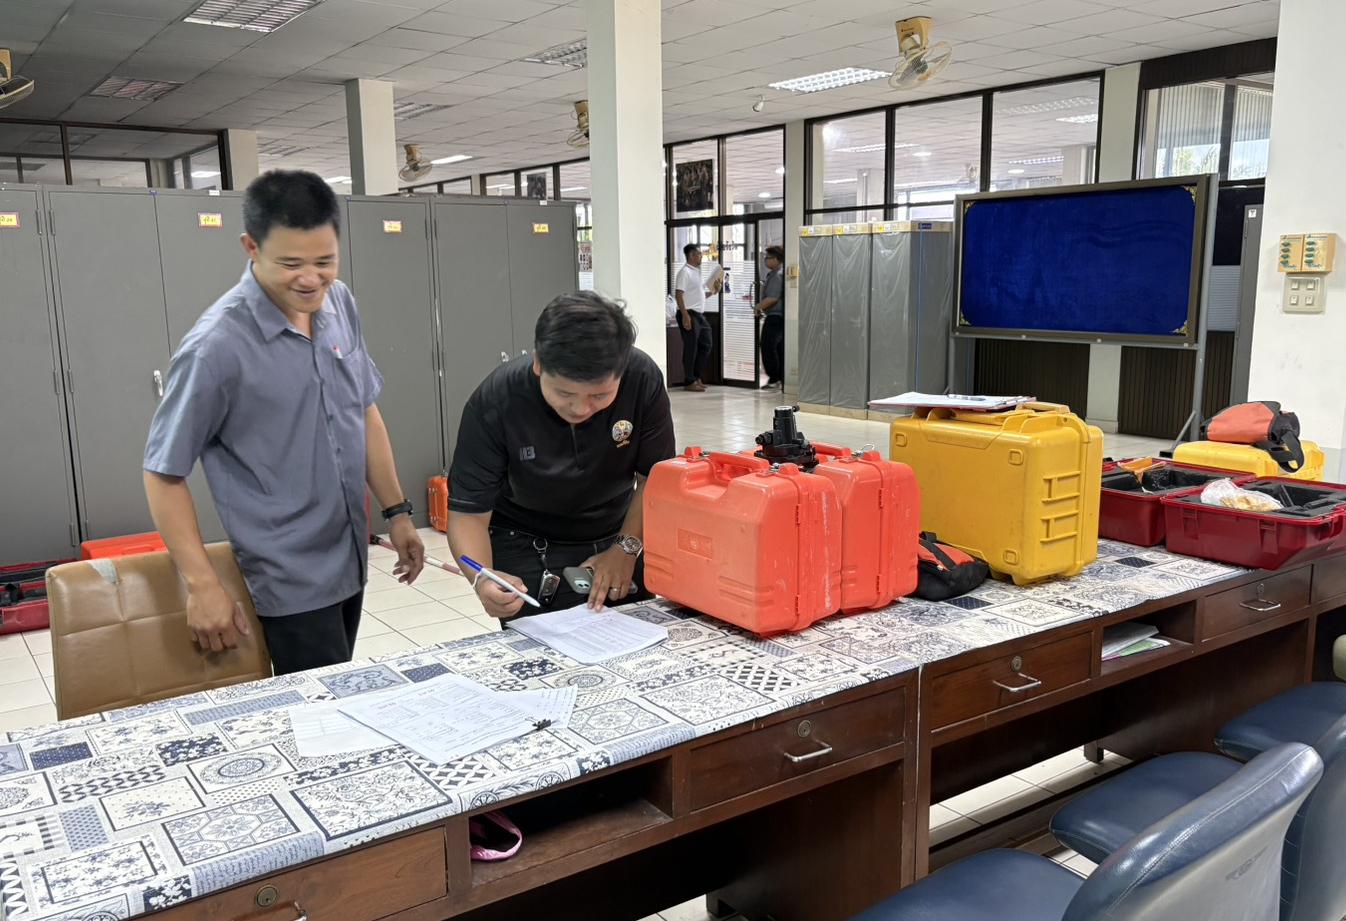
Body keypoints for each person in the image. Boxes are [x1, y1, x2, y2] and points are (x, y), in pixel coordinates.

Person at [143, 170, 425, 676]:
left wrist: (398, 511)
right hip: (288, 575)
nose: (311, 279)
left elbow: (362, 409)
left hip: (349, 554)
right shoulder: (217, 347)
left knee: (338, 687)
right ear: (251, 247)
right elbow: (163, 472)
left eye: (325, 261)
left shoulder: (339, 304)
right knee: (320, 706)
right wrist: (202, 584)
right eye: (291, 264)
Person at [447, 292, 676, 622]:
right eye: (565, 393)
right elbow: (468, 513)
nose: (580, 408)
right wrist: (482, 577)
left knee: (635, 634)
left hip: (620, 529)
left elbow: (655, 477)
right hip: (526, 541)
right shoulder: (496, 401)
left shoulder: (642, 379)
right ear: (538, 363)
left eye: (600, 395)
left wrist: (626, 548)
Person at [675, 243, 713, 392]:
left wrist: (713, 291)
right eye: (699, 254)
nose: (701, 257)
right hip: (689, 314)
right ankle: (689, 381)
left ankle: (697, 377)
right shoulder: (685, 272)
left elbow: (699, 296)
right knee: (691, 348)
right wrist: (685, 315)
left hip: (699, 315)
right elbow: (679, 295)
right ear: (691, 256)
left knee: (706, 345)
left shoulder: (696, 272)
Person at [755, 245, 786, 389]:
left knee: (768, 346)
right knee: (777, 348)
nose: (765, 261)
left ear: (776, 259)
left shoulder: (777, 275)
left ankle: (774, 379)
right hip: (778, 317)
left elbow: (773, 298)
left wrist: (758, 307)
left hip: (775, 317)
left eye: (767, 258)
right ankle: (779, 379)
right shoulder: (775, 273)